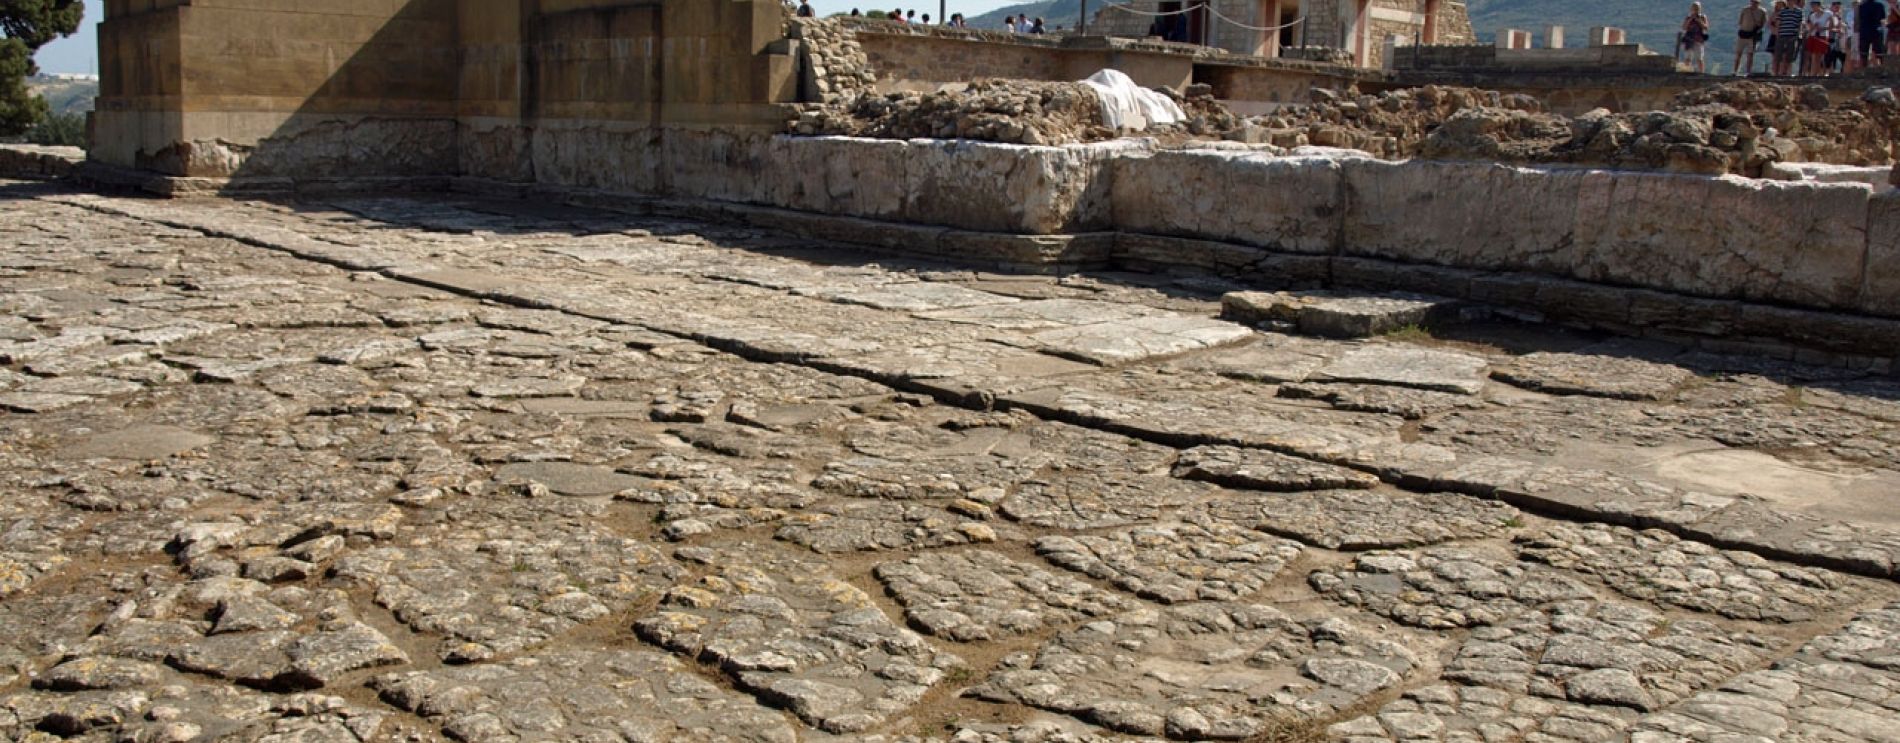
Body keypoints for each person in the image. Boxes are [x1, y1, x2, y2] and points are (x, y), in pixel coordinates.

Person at [1736, 0, 1769, 74]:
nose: (1754, 3)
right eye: (1753, 1)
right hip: (1743, 34)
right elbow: (1740, 22)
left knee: (1750, 54)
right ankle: (1735, 71)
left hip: (1753, 36)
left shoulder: (1762, 11)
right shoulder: (1745, 10)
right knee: (1738, 53)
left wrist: (1757, 30)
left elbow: (1764, 23)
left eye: (1756, 2)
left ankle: (1748, 72)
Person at [1803, 0, 1834, 75]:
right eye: (1812, 6)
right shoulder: (1812, 15)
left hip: (1822, 36)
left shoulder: (1828, 14)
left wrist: (1823, 28)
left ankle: (1821, 73)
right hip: (1813, 36)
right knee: (1813, 56)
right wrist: (1813, 27)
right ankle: (1813, 73)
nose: (1813, 7)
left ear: (1819, 5)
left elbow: (1832, 26)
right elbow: (1810, 27)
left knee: (1820, 56)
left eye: (1814, 6)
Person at [1775, 0, 1806, 73]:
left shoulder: (1799, 11)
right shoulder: (1782, 11)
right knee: (1780, 55)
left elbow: (1801, 23)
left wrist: (1799, 33)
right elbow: (1778, 23)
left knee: (1790, 56)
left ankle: (1788, 73)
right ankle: (1780, 72)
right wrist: (1777, 34)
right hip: (1782, 35)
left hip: (1793, 36)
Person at [1683, 2, 1713, 71]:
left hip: (1699, 39)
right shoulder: (1688, 17)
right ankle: (1686, 70)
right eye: (1694, 8)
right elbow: (1684, 27)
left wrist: (1698, 20)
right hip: (1689, 39)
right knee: (1688, 57)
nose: (1695, 10)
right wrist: (1690, 19)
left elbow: (1706, 27)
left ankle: (1701, 72)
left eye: (1697, 8)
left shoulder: (1702, 17)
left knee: (1699, 58)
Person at [1859, 0, 1888, 66]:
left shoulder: (1861, 6)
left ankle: (1863, 70)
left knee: (1864, 52)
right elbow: (1883, 18)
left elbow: (1860, 18)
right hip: (1876, 30)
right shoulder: (1880, 5)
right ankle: (1881, 68)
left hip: (1864, 31)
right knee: (1879, 52)